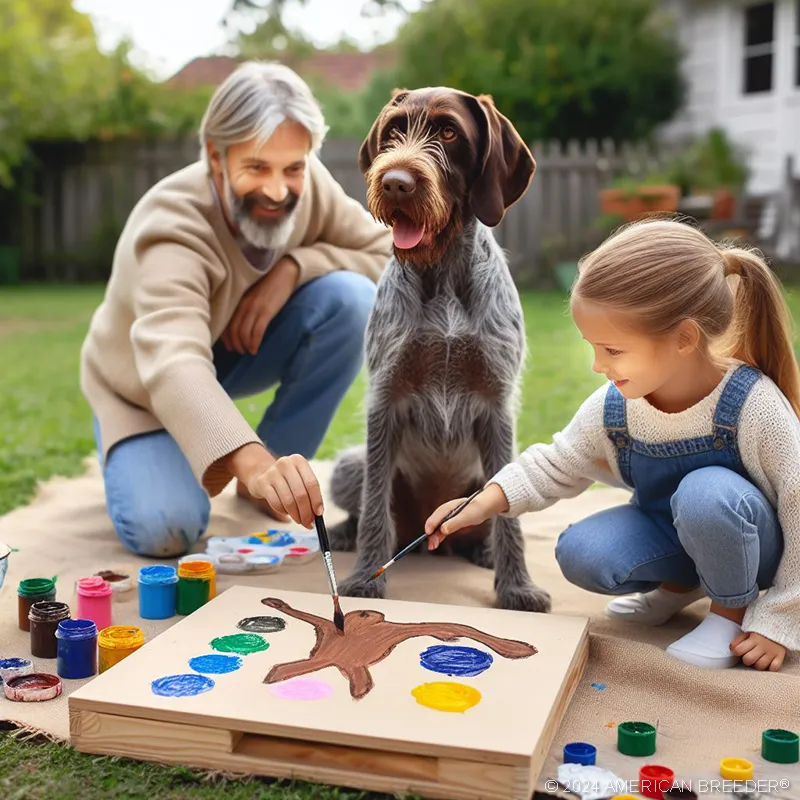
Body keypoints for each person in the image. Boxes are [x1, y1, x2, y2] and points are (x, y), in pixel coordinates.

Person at [424, 218, 800, 672]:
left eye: (614, 350)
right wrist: (483, 502)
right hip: (681, 534)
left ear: (684, 338)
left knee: (707, 493)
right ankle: (683, 587)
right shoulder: (616, 405)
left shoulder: (753, 406)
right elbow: (557, 463)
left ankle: (730, 613)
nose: (598, 365)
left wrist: (780, 618)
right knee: (583, 552)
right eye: (594, 348)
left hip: (753, 546)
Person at [79, 61, 392, 558]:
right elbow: (175, 364)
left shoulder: (308, 185)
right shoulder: (172, 224)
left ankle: (266, 481)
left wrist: (297, 264)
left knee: (352, 300)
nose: (277, 189)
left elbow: (387, 253)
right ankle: (239, 465)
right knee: (168, 529)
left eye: (293, 167)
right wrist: (249, 459)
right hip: (145, 388)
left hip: (233, 353)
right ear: (215, 157)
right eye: (256, 168)